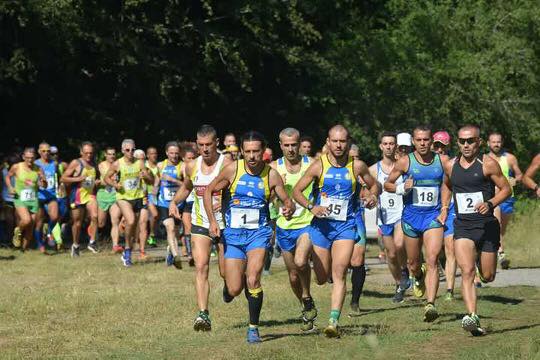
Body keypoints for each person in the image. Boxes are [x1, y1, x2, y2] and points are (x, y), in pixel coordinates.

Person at [204, 130, 295, 343]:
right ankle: (230, 288)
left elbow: (285, 199)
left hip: (259, 233)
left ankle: (253, 328)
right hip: (234, 235)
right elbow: (209, 191)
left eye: (256, 151)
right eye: (247, 152)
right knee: (235, 288)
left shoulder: (271, 174)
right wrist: (213, 221)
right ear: (242, 152)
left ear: (263, 151)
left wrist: (288, 207)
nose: (252, 156)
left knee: (253, 278)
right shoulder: (232, 170)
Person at [293, 124, 378, 338]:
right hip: (321, 227)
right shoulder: (317, 166)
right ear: (328, 142)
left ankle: (333, 321)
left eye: (343, 141)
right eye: (335, 141)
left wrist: (371, 196)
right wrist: (312, 207)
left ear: (348, 142)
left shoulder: (357, 166)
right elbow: (296, 191)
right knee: (322, 278)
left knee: (339, 273)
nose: (339, 145)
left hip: (345, 226)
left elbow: (375, 185)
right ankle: (318, 288)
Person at [442, 124, 511, 335]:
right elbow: (446, 185)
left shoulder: (487, 164)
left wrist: (490, 203)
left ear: (478, 142)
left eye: (470, 140)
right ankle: (473, 317)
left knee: (488, 275)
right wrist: (445, 207)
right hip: (463, 225)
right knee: (467, 271)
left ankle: (484, 267)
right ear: (457, 142)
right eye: (462, 141)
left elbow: (506, 189)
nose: (465, 145)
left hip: (487, 225)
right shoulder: (450, 165)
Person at [384, 126, 450, 322]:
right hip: (411, 218)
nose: (423, 143)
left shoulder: (442, 161)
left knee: (432, 259)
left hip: (433, 217)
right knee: (413, 264)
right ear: (414, 141)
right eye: (419, 140)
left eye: (426, 140)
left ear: (431, 141)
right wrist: (401, 188)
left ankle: (430, 304)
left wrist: (445, 208)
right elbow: (387, 184)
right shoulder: (405, 161)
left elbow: (447, 185)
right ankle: (417, 276)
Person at [170, 125, 232, 331]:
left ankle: (229, 287)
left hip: (224, 224)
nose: (205, 149)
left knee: (226, 275)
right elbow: (187, 187)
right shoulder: (191, 165)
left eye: (208, 145)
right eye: (201, 145)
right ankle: (203, 315)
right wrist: (174, 202)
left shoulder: (227, 163)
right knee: (201, 267)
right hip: (200, 223)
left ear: (217, 143)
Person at [270, 128, 318, 332]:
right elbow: (269, 196)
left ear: (300, 144)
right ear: (280, 145)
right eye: (286, 145)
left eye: (294, 145)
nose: (290, 149)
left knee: (301, 261)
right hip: (284, 225)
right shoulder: (273, 168)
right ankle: (305, 306)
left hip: (307, 222)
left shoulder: (313, 164)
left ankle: (307, 296)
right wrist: (278, 204)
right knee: (292, 275)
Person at [368, 132, 409, 304]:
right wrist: (370, 198)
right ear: (380, 146)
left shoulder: (404, 165)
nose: (389, 147)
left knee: (399, 245)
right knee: (390, 254)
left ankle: (406, 270)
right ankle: (399, 285)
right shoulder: (373, 169)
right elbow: (368, 190)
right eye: (385, 144)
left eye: (392, 143)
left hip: (402, 212)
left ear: (396, 146)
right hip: (384, 216)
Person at [105, 139, 154, 267]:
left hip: (138, 197)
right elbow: (106, 178)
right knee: (131, 221)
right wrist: (115, 184)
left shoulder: (140, 163)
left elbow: (151, 181)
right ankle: (127, 251)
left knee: (133, 229)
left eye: (132, 149)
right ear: (122, 151)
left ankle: (127, 250)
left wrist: (147, 176)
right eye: (127, 150)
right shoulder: (117, 164)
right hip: (123, 197)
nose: (130, 152)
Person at [487, 132, 522, 269]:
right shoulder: (484, 159)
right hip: (493, 198)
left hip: (508, 198)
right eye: (493, 142)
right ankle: (501, 254)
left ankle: (496, 249)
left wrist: (515, 180)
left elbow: (519, 175)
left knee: (502, 229)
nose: (496, 144)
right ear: (488, 143)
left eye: (498, 142)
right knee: (497, 224)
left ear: (502, 143)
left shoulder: (510, 158)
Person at [60, 141, 99, 257]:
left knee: (95, 216)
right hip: (77, 195)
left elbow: (93, 180)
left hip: (90, 195)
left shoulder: (94, 164)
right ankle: (75, 245)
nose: (89, 155)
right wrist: (78, 179)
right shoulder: (76, 163)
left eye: (91, 153)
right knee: (77, 223)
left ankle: (92, 242)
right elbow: (63, 178)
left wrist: (96, 182)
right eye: (86, 153)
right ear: (81, 152)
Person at [432, 130, 457, 299]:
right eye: (437, 146)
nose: (440, 150)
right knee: (435, 250)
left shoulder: (453, 163)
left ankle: (449, 290)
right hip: (431, 210)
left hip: (451, 208)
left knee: (450, 248)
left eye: (443, 147)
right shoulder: (425, 163)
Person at [5, 148, 46, 251]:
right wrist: (10, 187)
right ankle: (17, 230)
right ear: (23, 157)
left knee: (31, 225)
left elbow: (44, 185)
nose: (30, 160)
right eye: (27, 158)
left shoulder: (39, 169)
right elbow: (7, 177)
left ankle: (23, 248)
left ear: (35, 158)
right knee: (26, 220)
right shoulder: (17, 167)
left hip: (33, 199)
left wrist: (43, 181)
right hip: (20, 198)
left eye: (32, 158)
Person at [155, 142, 184, 269]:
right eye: (171, 153)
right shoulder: (161, 165)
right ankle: (176, 255)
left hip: (178, 203)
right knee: (170, 227)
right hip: (163, 202)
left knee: (175, 230)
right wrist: (151, 198)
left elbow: (186, 185)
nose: (174, 155)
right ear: (167, 153)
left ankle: (170, 252)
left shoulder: (182, 166)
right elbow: (156, 183)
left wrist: (173, 180)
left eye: (177, 153)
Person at [34, 142, 61, 253]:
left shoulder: (54, 164)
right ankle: (40, 245)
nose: (46, 153)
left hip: (51, 195)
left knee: (55, 217)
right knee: (39, 222)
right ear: (39, 152)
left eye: (48, 151)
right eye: (43, 151)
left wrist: (59, 186)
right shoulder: (35, 164)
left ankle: (49, 232)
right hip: (39, 196)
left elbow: (57, 177)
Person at [97, 147, 118, 245]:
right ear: (105, 155)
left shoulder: (118, 164)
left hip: (115, 196)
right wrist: (110, 180)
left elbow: (112, 179)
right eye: (109, 154)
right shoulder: (102, 165)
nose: (112, 156)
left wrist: (111, 180)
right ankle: (99, 237)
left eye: (113, 154)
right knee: (101, 223)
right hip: (103, 195)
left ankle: (115, 245)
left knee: (115, 220)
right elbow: (107, 179)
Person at [145, 147, 159, 247]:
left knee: (154, 217)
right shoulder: (144, 166)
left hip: (158, 194)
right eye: (151, 153)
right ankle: (152, 235)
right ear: (147, 155)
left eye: (155, 153)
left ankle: (151, 234)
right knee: (154, 215)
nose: (154, 155)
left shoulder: (159, 166)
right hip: (147, 194)